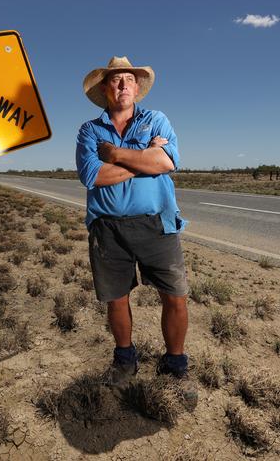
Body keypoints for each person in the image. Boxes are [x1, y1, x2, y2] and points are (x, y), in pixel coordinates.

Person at [76, 56, 194, 391]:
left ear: (138, 87)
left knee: (175, 296)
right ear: (105, 88)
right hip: (107, 228)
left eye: (129, 79)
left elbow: (167, 162)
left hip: (157, 224)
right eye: (116, 80)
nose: (124, 85)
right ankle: (125, 358)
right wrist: (144, 159)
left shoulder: (156, 119)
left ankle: (175, 364)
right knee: (116, 298)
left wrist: (115, 154)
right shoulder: (90, 130)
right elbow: (93, 175)